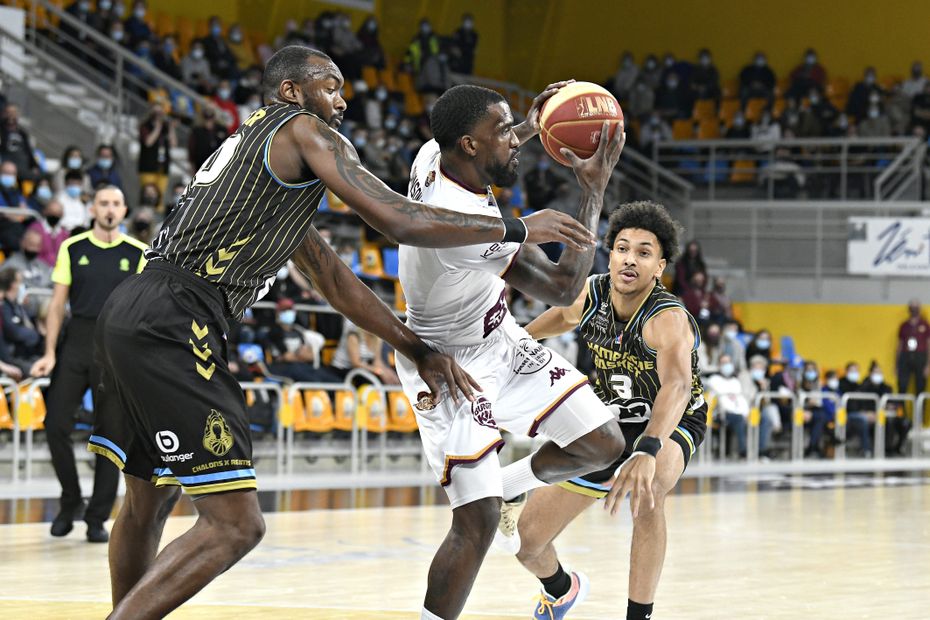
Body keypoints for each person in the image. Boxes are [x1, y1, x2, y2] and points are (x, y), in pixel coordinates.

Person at [88, 46, 593, 619]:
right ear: (290, 93)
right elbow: (396, 217)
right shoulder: (304, 131)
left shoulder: (260, 164)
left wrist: (414, 347)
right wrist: (517, 225)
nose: (342, 100)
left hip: (133, 311)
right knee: (235, 525)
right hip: (177, 321)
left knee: (147, 503)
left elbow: (331, 277)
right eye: (330, 86)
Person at [395, 83, 626, 620]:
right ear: (471, 146)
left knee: (600, 442)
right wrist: (593, 189)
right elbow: (566, 289)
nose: (515, 141)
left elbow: (491, 142)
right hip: (448, 365)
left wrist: (531, 124)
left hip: (498, 337)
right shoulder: (468, 229)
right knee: (474, 524)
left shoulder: (435, 153)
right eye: (503, 132)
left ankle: (510, 488)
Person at [509, 201, 706, 620]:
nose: (630, 258)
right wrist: (514, 343)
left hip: (670, 421)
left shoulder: (667, 317)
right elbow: (563, 317)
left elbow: (677, 384)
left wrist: (648, 449)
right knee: (528, 542)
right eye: (622, 247)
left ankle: (640, 616)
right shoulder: (593, 292)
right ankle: (562, 591)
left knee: (648, 493)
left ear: (659, 267)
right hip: (610, 420)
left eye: (644, 252)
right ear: (611, 254)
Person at [29, 186, 146, 543]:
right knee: (55, 424)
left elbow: (142, 310)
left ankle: (97, 517)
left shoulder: (139, 252)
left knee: (111, 433)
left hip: (115, 347)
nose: (109, 209)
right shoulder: (72, 247)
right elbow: (56, 305)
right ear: (92, 209)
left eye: (115, 204)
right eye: (103, 203)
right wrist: (49, 353)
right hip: (77, 342)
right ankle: (69, 503)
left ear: (124, 210)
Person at [896, 299, 929, 396]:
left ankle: (919, 411)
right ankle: (901, 411)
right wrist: (897, 364)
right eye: (912, 307)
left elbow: (928, 344)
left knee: (920, 387)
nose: (914, 309)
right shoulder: (904, 325)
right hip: (905, 356)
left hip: (920, 356)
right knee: (902, 386)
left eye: (916, 307)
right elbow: (899, 345)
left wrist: (928, 364)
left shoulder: (925, 325)